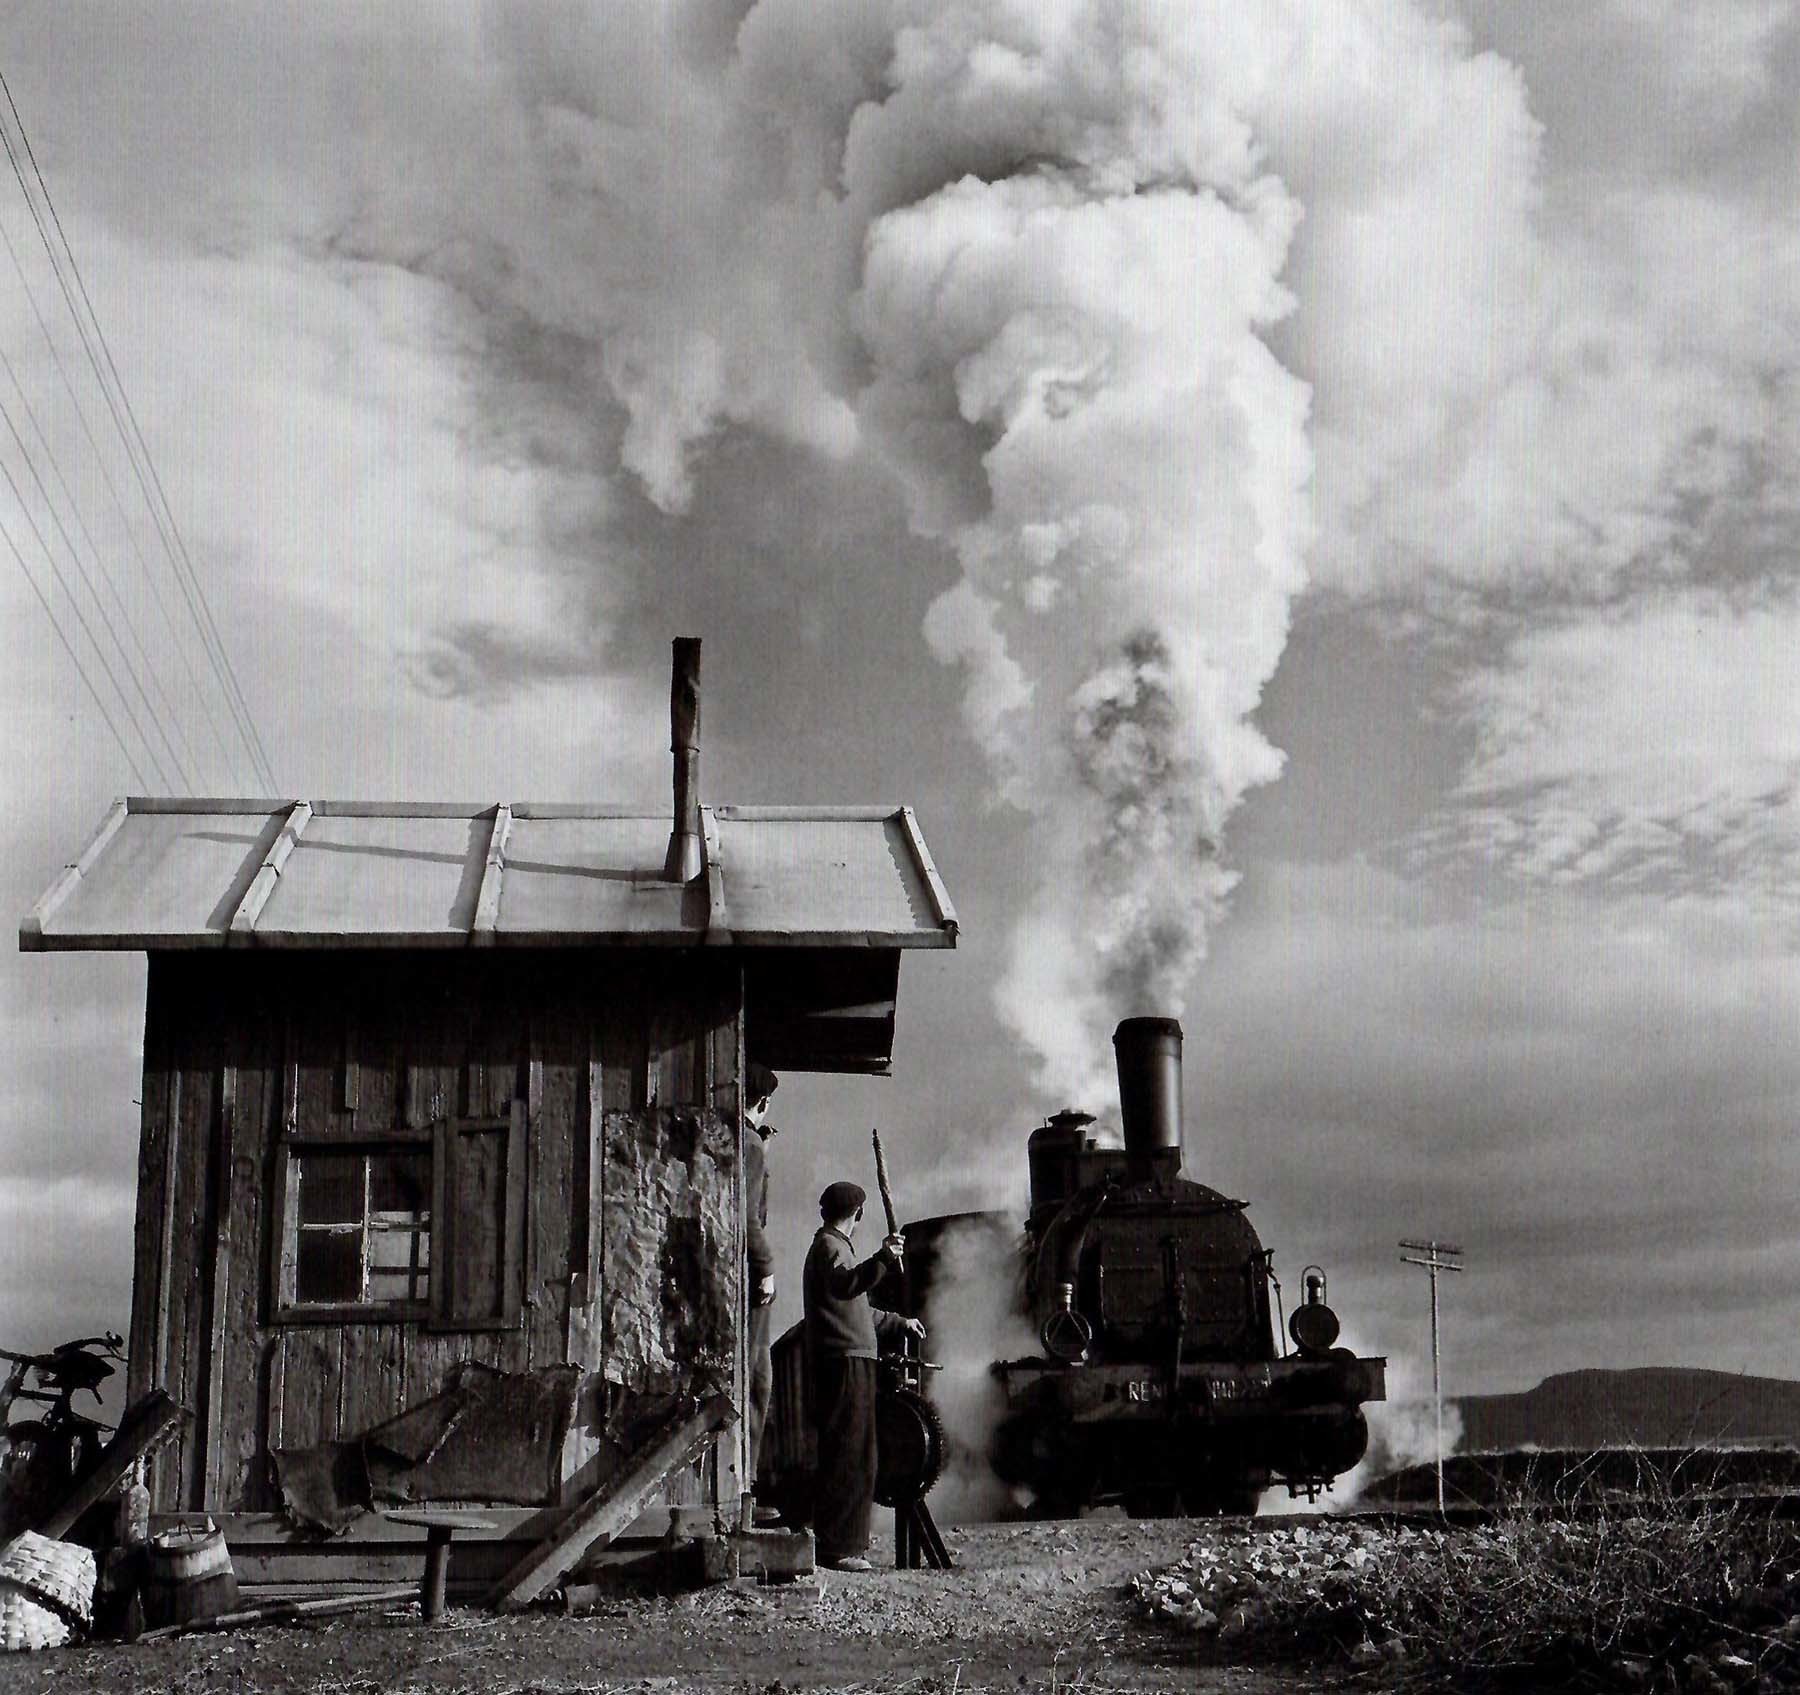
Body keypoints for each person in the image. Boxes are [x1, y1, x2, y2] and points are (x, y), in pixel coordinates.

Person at [802, 1180, 926, 1572]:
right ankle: (838, 1549)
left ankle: (843, 1543)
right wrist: (884, 1260)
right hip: (843, 1361)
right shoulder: (830, 1248)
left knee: (857, 1453)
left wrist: (898, 1322)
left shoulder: (834, 1248)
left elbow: (859, 1310)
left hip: (851, 1358)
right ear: (859, 1213)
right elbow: (847, 1285)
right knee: (848, 1455)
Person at [743, 1061, 779, 1506]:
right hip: (751, 1277)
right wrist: (766, 1267)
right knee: (756, 1379)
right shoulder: (749, 1146)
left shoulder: (748, 1142)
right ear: (763, 1103)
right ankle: (745, 1485)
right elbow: (748, 1217)